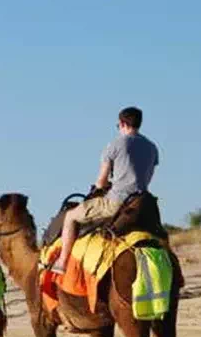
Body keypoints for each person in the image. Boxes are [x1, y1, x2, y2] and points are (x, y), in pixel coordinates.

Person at [53, 106, 159, 273]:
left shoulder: (116, 144)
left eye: (118, 126)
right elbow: (147, 178)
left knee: (70, 217)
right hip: (142, 203)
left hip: (116, 202)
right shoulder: (152, 147)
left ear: (123, 123)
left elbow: (101, 182)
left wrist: (101, 186)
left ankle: (62, 262)